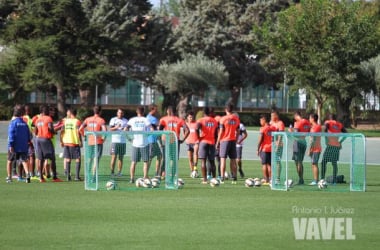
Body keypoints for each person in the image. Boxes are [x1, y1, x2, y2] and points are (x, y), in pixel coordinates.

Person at [159, 106, 189, 178]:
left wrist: (160, 140)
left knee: (165, 158)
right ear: (174, 112)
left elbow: (159, 131)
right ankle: (172, 175)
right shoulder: (180, 120)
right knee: (174, 159)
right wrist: (183, 140)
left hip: (166, 140)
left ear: (168, 111)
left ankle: (160, 174)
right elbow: (187, 130)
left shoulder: (163, 119)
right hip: (175, 141)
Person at [79, 105, 107, 182]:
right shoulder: (101, 120)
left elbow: (80, 128)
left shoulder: (87, 119)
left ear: (94, 111)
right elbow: (105, 131)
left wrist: (84, 135)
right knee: (96, 160)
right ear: (100, 111)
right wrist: (103, 138)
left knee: (89, 159)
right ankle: (94, 178)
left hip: (89, 142)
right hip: (98, 142)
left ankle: (87, 177)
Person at [34, 105, 61, 182]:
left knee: (41, 159)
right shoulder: (48, 118)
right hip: (46, 139)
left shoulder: (38, 120)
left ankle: (41, 178)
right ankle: (55, 177)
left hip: (38, 139)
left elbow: (35, 132)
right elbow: (50, 128)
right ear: (46, 111)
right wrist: (54, 132)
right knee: (52, 159)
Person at [126, 106, 153, 182]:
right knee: (145, 162)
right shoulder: (145, 119)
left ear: (136, 112)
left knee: (133, 162)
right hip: (144, 143)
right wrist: (146, 135)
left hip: (135, 143)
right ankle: (145, 177)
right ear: (143, 112)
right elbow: (152, 129)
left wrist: (129, 139)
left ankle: (132, 178)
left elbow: (125, 130)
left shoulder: (132, 120)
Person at [6, 105, 31, 183]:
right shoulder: (24, 123)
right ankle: (27, 175)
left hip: (15, 146)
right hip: (23, 146)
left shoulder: (13, 123)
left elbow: (11, 134)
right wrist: (27, 142)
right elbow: (28, 135)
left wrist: (10, 145)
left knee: (9, 161)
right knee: (24, 160)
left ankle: (9, 177)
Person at [216, 103, 240, 184]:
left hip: (224, 141)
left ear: (226, 110)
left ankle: (222, 177)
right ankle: (234, 177)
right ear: (232, 110)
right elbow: (238, 131)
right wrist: (236, 139)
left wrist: (218, 142)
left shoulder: (223, 119)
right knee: (233, 160)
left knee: (223, 159)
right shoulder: (236, 119)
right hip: (233, 140)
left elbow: (221, 131)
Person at [321, 114, 347, 184]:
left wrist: (326, 139)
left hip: (330, 146)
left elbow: (325, 129)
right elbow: (346, 134)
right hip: (336, 147)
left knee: (323, 162)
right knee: (334, 163)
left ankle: (322, 179)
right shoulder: (339, 124)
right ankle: (334, 180)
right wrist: (340, 142)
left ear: (329, 118)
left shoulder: (328, 122)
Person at [196, 107, 218, 184]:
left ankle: (205, 179)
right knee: (212, 161)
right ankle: (214, 178)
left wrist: (198, 137)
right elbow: (216, 133)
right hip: (212, 142)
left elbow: (196, 128)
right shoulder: (214, 121)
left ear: (203, 112)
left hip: (203, 142)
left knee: (203, 161)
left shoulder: (201, 120)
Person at [60, 107, 82, 181]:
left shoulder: (65, 121)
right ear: (76, 114)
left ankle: (68, 176)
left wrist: (61, 141)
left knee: (68, 159)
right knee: (78, 159)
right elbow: (78, 132)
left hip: (66, 142)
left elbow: (62, 131)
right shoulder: (77, 121)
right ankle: (76, 177)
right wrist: (80, 141)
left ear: (71, 113)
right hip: (74, 142)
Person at [288, 111, 311, 185]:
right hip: (304, 142)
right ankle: (301, 179)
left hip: (298, 142)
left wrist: (290, 131)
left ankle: (301, 180)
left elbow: (296, 135)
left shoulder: (298, 123)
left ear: (296, 116)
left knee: (298, 162)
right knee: (299, 161)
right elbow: (308, 132)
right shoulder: (307, 122)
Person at [109, 109, 128, 177]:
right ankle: (112, 172)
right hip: (115, 141)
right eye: (119, 112)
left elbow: (127, 130)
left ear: (123, 114)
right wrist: (116, 127)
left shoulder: (126, 120)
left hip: (122, 142)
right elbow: (110, 129)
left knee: (121, 158)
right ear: (117, 113)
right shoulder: (113, 119)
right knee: (114, 157)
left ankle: (119, 172)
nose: (120, 114)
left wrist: (126, 129)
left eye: (122, 113)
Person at [257, 114, 275, 185]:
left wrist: (257, 149)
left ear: (264, 120)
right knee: (270, 165)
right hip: (272, 148)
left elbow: (260, 140)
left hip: (264, 149)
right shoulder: (273, 128)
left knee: (264, 164)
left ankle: (266, 179)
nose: (260, 122)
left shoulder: (263, 128)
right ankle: (271, 179)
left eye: (260, 120)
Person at [146, 104, 163, 177]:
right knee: (150, 158)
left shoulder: (149, 117)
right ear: (152, 109)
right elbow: (158, 129)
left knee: (159, 156)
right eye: (155, 109)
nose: (156, 111)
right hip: (151, 140)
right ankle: (145, 174)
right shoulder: (151, 118)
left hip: (155, 141)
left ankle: (156, 173)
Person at [270, 110, 285, 184]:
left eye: (272, 115)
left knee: (277, 161)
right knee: (271, 162)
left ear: (276, 115)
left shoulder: (280, 123)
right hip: (271, 145)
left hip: (278, 146)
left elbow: (280, 135)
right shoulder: (271, 123)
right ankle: (271, 177)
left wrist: (277, 146)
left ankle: (278, 179)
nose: (271, 117)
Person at [308, 113, 322, 185]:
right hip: (314, 148)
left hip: (316, 149)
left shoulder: (315, 127)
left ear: (313, 119)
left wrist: (309, 149)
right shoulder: (313, 127)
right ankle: (315, 180)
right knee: (313, 164)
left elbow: (312, 140)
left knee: (314, 164)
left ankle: (316, 180)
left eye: (310, 118)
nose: (309, 119)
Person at [185, 111, 199, 176]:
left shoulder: (196, 124)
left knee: (195, 154)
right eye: (190, 117)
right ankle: (192, 171)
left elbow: (198, 132)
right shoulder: (185, 124)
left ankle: (195, 168)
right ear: (187, 118)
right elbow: (185, 132)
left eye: (192, 117)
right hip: (188, 143)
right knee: (190, 158)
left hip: (195, 142)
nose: (191, 118)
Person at [235, 114, 248, 178]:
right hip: (231, 143)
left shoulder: (241, 125)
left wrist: (240, 141)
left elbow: (245, 134)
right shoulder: (231, 124)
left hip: (238, 144)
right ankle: (233, 173)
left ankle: (240, 169)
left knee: (238, 159)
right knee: (232, 159)